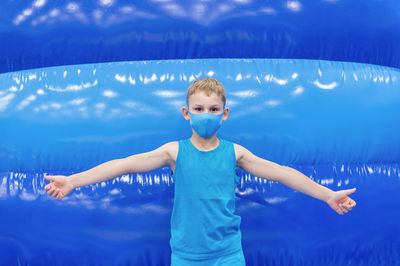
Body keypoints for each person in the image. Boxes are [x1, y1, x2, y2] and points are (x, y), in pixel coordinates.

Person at [44, 77, 357, 266]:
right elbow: (122, 165)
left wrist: (327, 194)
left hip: (227, 254)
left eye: (213, 109)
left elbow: (283, 173)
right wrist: (74, 180)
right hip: (187, 256)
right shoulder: (174, 152)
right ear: (186, 113)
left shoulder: (236, 153)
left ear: (224, 114)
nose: (205, 115)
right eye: (198, 109)